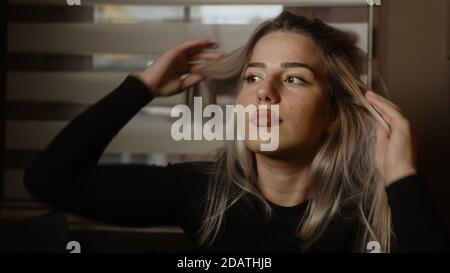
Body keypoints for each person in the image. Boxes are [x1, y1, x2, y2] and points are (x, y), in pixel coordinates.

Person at [24, 11, 449, 252]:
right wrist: (143, 86)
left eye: (295, 78)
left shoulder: (370, 212)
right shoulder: (201, 191)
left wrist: (403, 180)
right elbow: (50, 180)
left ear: (333, 114)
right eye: (252, 77)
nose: (264, 92)